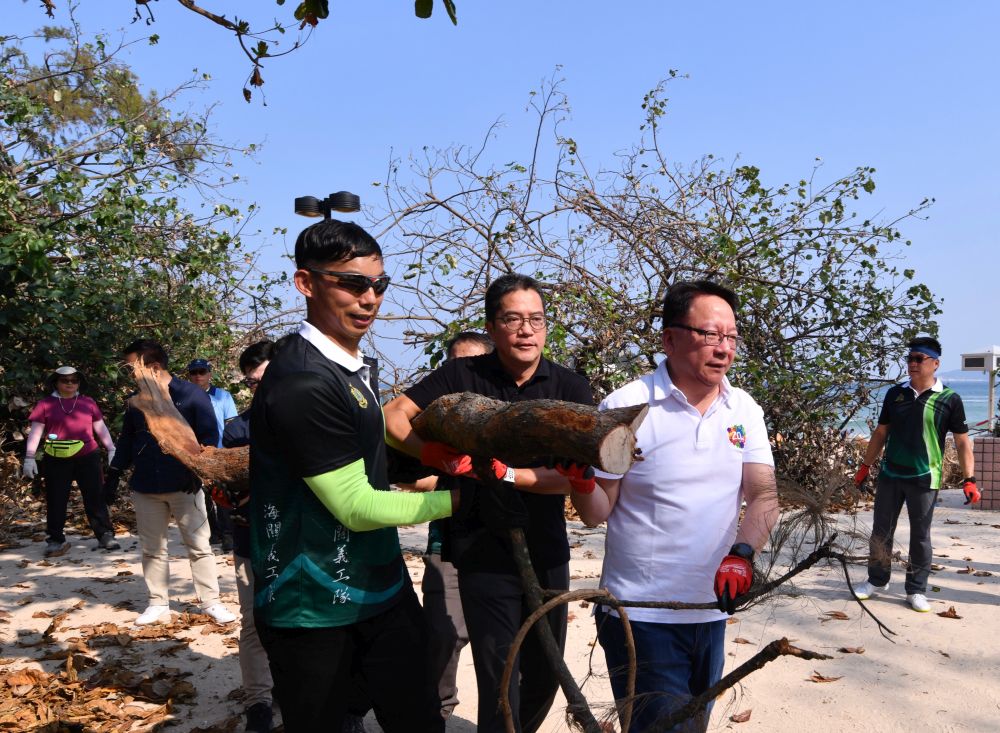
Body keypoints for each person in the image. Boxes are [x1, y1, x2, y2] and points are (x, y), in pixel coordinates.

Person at [249, 218, 456, 733]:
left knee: (418, 717)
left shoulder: (350, 364)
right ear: (306, 283)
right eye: (353, 283)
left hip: (378, 584)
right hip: (312, 603)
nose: (370, 299)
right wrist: (462, 500)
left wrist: (441, 456)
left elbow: (366, 443)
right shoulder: (301, 380)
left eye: (379, 284)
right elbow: (357, 507)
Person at [384, 273, 594, 733]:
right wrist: (429, 452)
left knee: (544, 671)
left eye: (536, 320)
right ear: (493, 326)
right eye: (514, 319)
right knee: (499, 673)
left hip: (548, 549)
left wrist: (511, 475)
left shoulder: (571, 388)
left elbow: (571, 478)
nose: (526, 330)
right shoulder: (463, 375)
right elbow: (393, 415)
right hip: (480, 548)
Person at [571, 280, 779, 733]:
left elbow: (763, 495)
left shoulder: (743, 409)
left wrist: (742, 555)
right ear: (669, 338)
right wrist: (580, 478)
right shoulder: (628, 405)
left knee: (692, 725)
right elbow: (596, 511)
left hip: (710, 610)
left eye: (731, 336)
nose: (723, 348)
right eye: (710, 334)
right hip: (640, 614)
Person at [104, 339, 236, 627]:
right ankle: (157, 603)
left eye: (131, 367)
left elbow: (210, 439)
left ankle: (211, 602)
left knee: (199, 546)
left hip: (184, 484)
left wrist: (198, 473)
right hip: (146, 485)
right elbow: (128, 438)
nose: (129, 373)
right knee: (152, 548)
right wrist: (114, 473)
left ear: (153, 367)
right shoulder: (137, 401)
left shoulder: (191, 396)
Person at [852, 336, 977, 613]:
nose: (912, 363)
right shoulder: (895, 394)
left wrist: (969, 480)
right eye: (909, 358)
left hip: (925, 477)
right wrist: (865, 466)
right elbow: (881, 432)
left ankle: (917, 589)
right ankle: (877, 580)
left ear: (935, 363)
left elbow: (962, 442)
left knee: (921, 536)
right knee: (880, 532)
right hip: (890, 474)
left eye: (918, 359)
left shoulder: (949, 399)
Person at [420, 331, 493, 720]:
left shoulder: (508, 418)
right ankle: (437, 712)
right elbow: (406, 476)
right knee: (442, 635)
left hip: (499, 547)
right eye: (456, 366)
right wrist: (453, 477)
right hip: (444, 542)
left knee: (497, 644)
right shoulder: (430, 419)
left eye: (473, 366)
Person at [220, 340, 276, 733]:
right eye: (254, 383)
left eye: (268, 377)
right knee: (254, 622)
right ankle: (259, 699)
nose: (262, 387)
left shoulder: (314, 421)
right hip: (251, 540)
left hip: (305, 541)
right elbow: (227, 486)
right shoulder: (237, 428)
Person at [22, 365, 120, 557]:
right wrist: (29, 457)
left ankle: (105, 534)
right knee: (56, 498)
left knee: (95, 496)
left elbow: (100, 427)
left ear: (79, 383)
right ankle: (55, 539)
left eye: (74, 380)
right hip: (56, 458)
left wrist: (111, 449)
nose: (70, 384)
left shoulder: (88, 402)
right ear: (56, 382)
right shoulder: (45, 404)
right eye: (65, 381)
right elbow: (36, 432)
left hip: (87, 456)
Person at [188, 357, 238, 551]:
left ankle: (228, 535)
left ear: (209, 374)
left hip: (218, 452)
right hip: (194, 453)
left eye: (202, 372)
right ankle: (212, 533)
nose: (198, 376)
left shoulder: (223, 396)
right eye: (194, 372)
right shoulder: (184, 397)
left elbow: (231, 425)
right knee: (202, 496)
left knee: (222, 494)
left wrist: (229, 452)